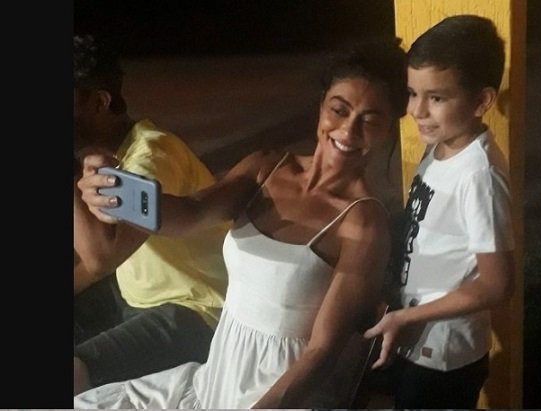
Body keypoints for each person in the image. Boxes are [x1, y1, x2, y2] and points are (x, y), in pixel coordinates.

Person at [74, 37, 409, 409]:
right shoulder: (268, 168)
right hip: (218, 375)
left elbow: (323, 350)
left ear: (389, 129)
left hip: (280, 394)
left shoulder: (363, 224)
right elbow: (189, 213)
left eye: (370, 120)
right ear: (321, 107)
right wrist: (113, 189)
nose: (348, 130)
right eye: (339, 110)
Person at [363, 14, 516, 409]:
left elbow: (497, 284)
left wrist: (406, 318)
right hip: (416, 338)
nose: (417, 110)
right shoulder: (441, 147)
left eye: (436, 98)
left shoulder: (479, 176)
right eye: (412, 93)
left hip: (444, 356)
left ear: (482, 101)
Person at [72, 34, 229, 394]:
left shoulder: (152, 155)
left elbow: (102, 256)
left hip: (197, 311)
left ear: (99, 102)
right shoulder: (106, 155)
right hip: (136, 298)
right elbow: (95, 263)